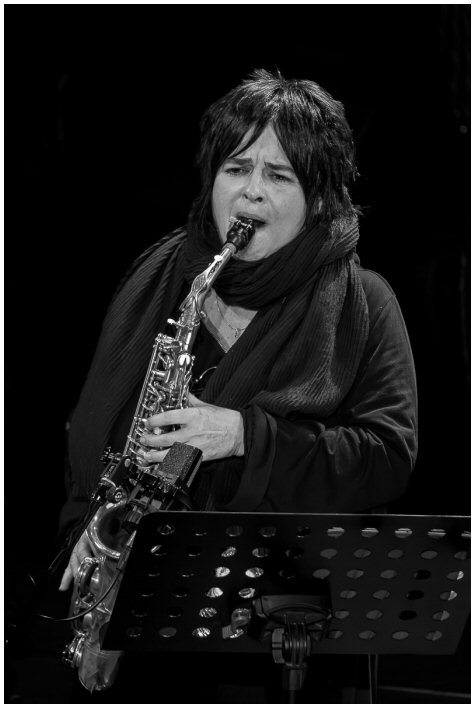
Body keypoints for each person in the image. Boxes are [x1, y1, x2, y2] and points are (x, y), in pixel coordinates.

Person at [58, 69, 417, 703]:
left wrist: (245, 435)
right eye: (236, 168)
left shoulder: (365, 301)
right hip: (143, 632)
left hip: (282, 636)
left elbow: (387, 458)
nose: (250, 191)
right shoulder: (160, 279)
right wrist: (90, 530)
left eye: (278, 176)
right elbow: (95, 436)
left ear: (319, 197)